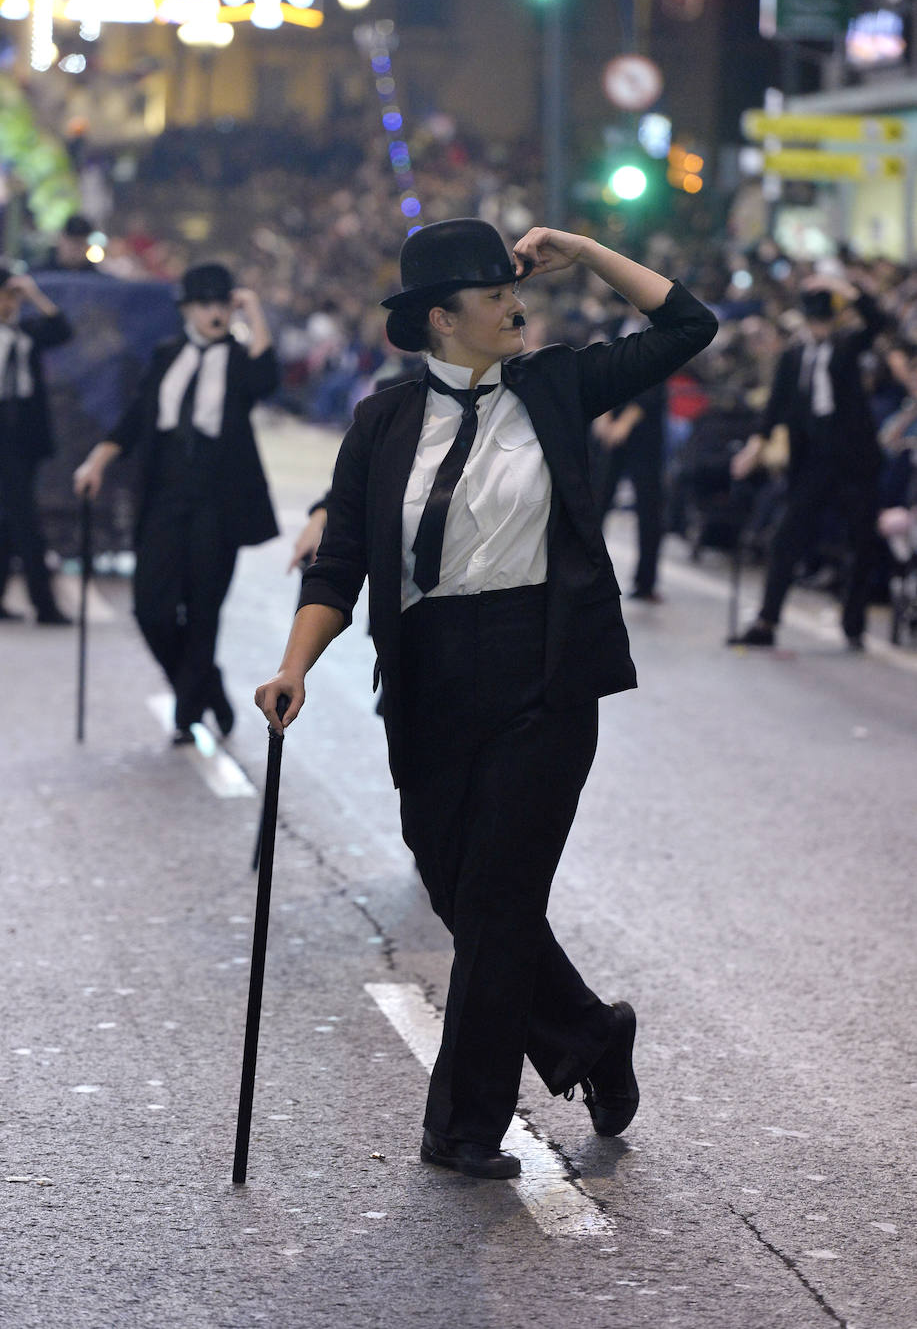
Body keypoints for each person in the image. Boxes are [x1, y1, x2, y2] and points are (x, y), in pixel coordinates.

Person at [255, 219, 717, 1180]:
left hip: (542, 666)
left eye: (516, 290)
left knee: (501, 896)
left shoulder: (556, 385)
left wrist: (585, 252)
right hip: (427, 674)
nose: (516, 306)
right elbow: (341, 561)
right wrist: (295, 665)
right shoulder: (381, 421)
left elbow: (688, 326)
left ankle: (464, 1125)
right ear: (440, 317)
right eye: (495, 295)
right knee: (455, 886)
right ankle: (590, 1035)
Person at [73, 263, 279, 743]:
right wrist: (97, 461)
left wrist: (253, 312)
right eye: (204, 304)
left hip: (218, 500)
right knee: (151, 609)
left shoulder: (240, 358)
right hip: (164, 494)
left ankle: (187, 715)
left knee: (204, 610)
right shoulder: (167, 355)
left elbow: (266, 381)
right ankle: (207, 685)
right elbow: (136, 417)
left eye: (222, 303)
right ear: (186, 309)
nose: (214, 312)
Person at [729, 273, 886, 650]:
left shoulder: (848, 346)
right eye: (814, 320)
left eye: (824, 319)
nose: (819, 327)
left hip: (854, 462)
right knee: (787, 536)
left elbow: (877, 322)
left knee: (861, 542)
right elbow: (775, 408)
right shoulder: (793, 356)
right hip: (811, 460)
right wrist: (754, 447)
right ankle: (767, 620)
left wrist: (846, 289)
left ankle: (854, 624)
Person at [0, 268, 73, 624]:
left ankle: (35, 601)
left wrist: (33, 294)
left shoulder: (27, 331)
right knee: (22, 520)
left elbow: (62, 330)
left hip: (23, 436)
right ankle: (43, 603)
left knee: (12, 518)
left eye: (10, 296)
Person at [590, 378, 667, 601]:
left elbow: (656, 377)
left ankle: (646, 582)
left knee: (649, 508)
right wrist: (602, 414)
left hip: (645, 428)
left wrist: (626, 421)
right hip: (608, 421)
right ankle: (587, 572)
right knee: (595, 504)